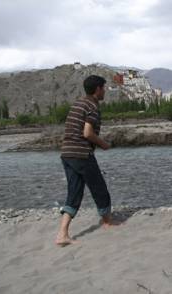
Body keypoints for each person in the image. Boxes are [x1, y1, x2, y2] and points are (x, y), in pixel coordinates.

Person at [55, 75, 113, 246]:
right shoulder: (92, 106)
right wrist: (104, 144)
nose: (105, 91)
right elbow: (87, 133)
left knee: (74, 192)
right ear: (97, 89)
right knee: (99, 188)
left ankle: (62, 234)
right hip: (81, 154)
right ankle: (107, 222)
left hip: (67, 153)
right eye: (104, 87)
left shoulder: (78, 103)